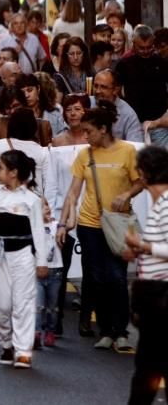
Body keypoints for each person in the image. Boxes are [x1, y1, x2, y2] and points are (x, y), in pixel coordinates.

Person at [57, 101, 142, 352]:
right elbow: (73, 192)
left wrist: (127, 194)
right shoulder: (85, 154)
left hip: (118, 225)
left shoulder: (127, 151)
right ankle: (106, 331)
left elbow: (140, 182)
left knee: (117, 277)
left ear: (103, 129)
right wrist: (64, 221)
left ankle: (121, 331)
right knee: (97, 278)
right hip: (89, 224)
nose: (85, 136)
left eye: (89, 131)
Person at [0, 149, 47, 369]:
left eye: (2, 168)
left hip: (23, 256)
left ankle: (23, 350)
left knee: (22, 303)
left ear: (13, 173)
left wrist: (42, 261)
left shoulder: (31, 201)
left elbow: (38, 233)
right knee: (2, 304)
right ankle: (6, 344)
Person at [123, 145, 168, 405]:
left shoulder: (165, 204)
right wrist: (140, 251)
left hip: (161, 297)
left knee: (148, 366)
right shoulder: (159, 203)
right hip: (155, 296)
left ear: (144, 173)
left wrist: (144, 246)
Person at [36, 197, 63, 349]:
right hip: (37, 272)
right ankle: (36, 333)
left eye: (46, 204)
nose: (46, 207)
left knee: (52, 307)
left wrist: (70, 206)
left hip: (55, 271)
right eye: (42, 206)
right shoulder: (33, 228)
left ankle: (50, 332)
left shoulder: (55, 225)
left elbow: (70, 225)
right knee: (38, 305)